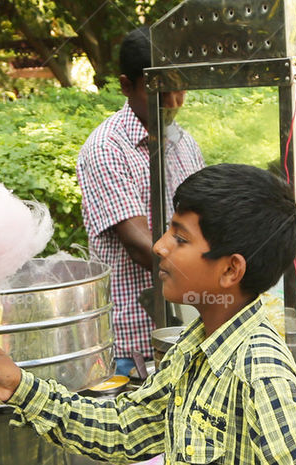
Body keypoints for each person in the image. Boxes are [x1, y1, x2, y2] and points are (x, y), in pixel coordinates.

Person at [0, 164, 296, 464]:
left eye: (181, 238)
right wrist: (19, 387)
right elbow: (126, 429)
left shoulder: (260, 369)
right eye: (168, 231)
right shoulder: (194, 345)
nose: (161, 246)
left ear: (230, 270)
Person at [76, 25, 204, 376]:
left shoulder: (185, 143)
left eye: (179, 88)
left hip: (186, 333)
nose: (174, 102)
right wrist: (212, 275)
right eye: (160, 91)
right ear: (126, 86)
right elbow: (139, 244)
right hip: (132, 345)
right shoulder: (106, 148)